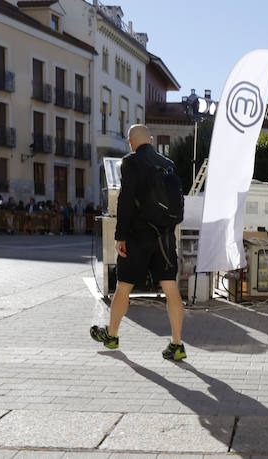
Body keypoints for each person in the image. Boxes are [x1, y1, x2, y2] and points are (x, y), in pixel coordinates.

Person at [90, 124, 186, 361]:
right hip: (164, 237)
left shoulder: (131, 162)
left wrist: (120, 236)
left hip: (139, 236)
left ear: (131, 142)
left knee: (124, 286)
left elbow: (125, 199)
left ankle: (112, 336)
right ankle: (177, 344)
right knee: (170, 287)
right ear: (151, 141)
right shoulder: (168, 164)